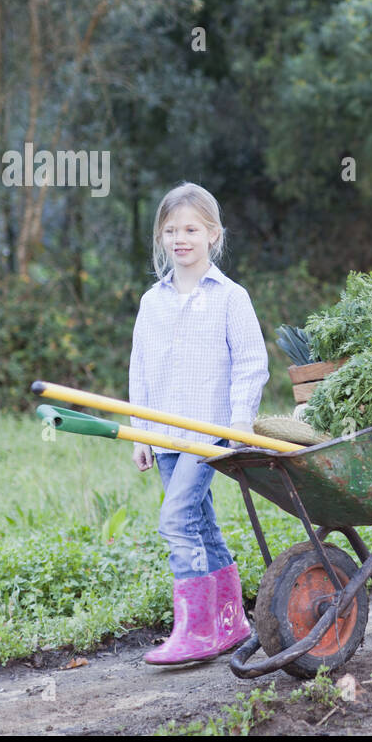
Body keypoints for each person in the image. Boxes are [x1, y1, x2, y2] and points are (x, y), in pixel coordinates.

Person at [129, 181, 269, 663]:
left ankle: (195, 629)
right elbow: (139, 367)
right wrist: (138, 433)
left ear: (213, 233)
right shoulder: (153, 301)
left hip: (208, 433)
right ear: (161, 237)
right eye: (170, 230)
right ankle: (230, 623)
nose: (180, 238)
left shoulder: (231, 297)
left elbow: (252, 363)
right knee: (200, 521)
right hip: (162, 433)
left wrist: (237, 427)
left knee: (175, 520)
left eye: (190, 228)